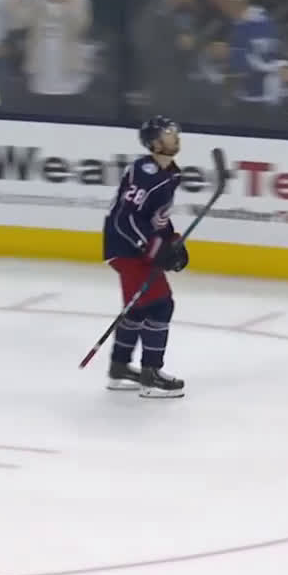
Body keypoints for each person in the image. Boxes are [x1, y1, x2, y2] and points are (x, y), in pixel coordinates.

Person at [101, 116, 190, 398]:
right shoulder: (144, 173)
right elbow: (124, 219)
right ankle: (150, 377)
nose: (175, 137)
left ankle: (119, 369)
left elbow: (157, 217)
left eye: (174, 132)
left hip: (138, 247)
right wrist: (153, 248)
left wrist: (172, 242)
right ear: (154, 143)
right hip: (125, 247)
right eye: (167, 134)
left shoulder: (171, 173)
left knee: (138, 309)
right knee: (160, 305)